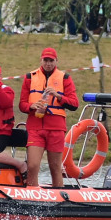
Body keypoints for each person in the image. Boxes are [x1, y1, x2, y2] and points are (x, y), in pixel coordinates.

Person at [19, 48, 80, 187]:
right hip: (35, 126)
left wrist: (58, 96)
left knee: (55, 167)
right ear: (41, 60)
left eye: (51, 60)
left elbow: (75, 104)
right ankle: (32, 196)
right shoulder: (30, 77)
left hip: (56, 128)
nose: (48, 63)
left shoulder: (65, 78)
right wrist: (32, 106)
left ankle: (58, 200)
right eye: (45, 60)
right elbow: (22, 105)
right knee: (33, 165)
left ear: (56, 61)